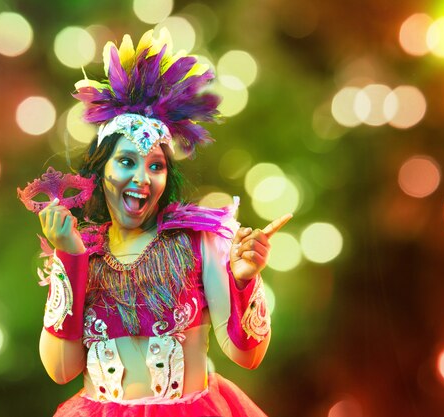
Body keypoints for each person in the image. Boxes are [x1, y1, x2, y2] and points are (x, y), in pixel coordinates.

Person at [34, 29, 291, 416]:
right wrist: (70, 258)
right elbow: (60, 369)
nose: (141, 178)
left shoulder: (199, 242)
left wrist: (243, 280)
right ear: (100, 169)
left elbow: (246, 356)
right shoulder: (81, 250)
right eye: (126, 161)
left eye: (155, 165)